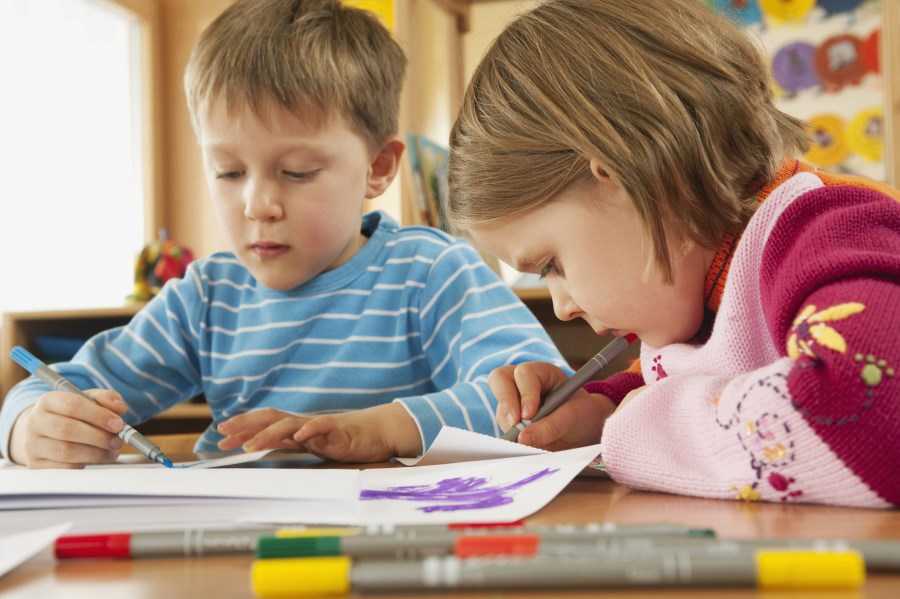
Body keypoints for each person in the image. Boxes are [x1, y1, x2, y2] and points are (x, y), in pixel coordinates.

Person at [0, 0, 571, 469]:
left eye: (297, 172)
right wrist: (30, 426)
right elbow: (64, 383)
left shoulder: (432, 273)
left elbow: (541, 397)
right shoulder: (207, 297)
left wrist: (383, 426)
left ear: (377, 167)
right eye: (227, 172)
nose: (257, 205)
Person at [444, 0, 899, 508]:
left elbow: (869, 416)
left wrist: (634, 427)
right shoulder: (701, 288)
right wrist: (598, 410)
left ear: (624, 174)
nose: (562, 306)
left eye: (551, 265)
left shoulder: (830, 229)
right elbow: (701, 379)